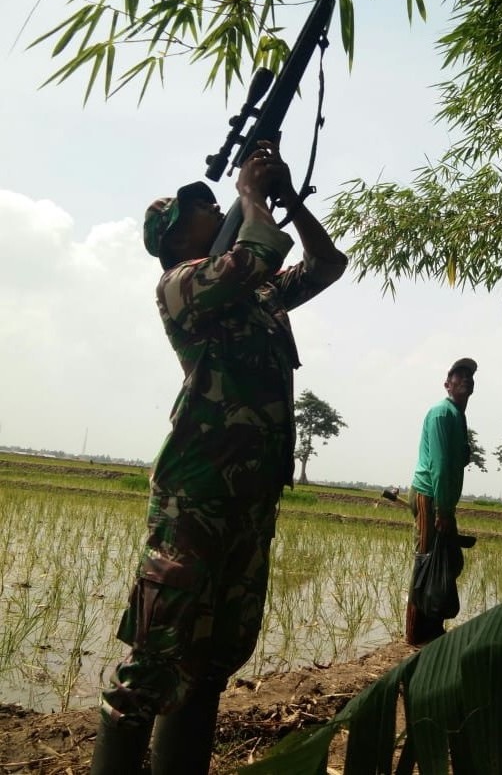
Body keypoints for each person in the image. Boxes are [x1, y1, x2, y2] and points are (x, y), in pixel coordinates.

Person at [90, 142, 347, 775]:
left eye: (214, 201)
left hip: (251, 501)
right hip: (196, 499)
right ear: (174, 240)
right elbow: (256, 252)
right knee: (155, 658)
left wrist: (286, 201)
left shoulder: (255, 296)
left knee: (215, 658)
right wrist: (251, 195)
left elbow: (327, 263)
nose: (213, 207)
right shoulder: (181, 287)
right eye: (197, 209)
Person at [404, 358, 477, 646]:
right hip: (429, 495)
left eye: (469, 376)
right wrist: (443, 510)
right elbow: (441, 465)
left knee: (445, 560)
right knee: (425, 560)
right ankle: (415, 632)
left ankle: (433, 624)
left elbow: (453, 459)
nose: (465, 380)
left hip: (440, 497)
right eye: (458, 376)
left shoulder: (457, 416)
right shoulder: (442, 413)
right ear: (447, 385)